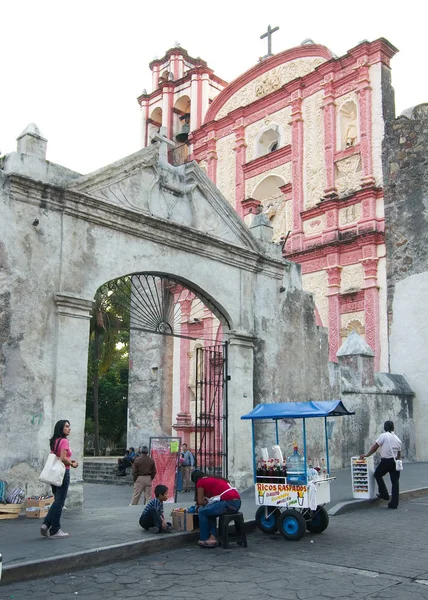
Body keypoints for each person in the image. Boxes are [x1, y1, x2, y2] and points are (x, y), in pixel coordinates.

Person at [40, 420, 78, 539]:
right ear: (61, 428)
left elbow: (57, 456)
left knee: (57, 500)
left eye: (69, 426)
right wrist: (72, 464)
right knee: (60, 502)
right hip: (62, 472)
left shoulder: (54, 441)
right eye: (67, 426)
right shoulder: (64, 441)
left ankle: (46, 524)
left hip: (53, 473)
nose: (69, 429)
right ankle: (55, 529)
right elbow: (62, 458)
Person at [191, 470, 241, 548]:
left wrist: (203, 504)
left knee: (202, 511)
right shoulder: (215, 478)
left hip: (228, 503)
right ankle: (212, 537)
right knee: (209, 512)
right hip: (236, 502)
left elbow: (200, 501)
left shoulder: (200, 482)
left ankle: (204, 538)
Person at [360, 420, 402, 509]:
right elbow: (399, 454)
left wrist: (367, 455)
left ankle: (384, 494)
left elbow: (375, 446)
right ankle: (394, 504)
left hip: (386, 461)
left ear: (385, 427)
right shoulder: (398, 439)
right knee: (395, 482)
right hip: (395, 462)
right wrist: (398, 461)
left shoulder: (384, 436)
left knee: (377, 474)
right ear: (393, 427)